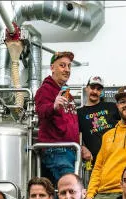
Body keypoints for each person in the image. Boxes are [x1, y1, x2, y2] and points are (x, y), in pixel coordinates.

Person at [35, 51, 78, 190]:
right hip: (56, 150)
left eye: (69, 66)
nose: (67, 69)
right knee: (69, 188)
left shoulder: (67, 94)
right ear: (52, 67)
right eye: (62, 65)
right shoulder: (45, 90)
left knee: (64, 191)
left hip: (70, 149)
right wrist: (53, 106)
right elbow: (41, 111)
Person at [77, 76, 119, 169]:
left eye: (98, 89)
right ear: (86, 88)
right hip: (96, 162)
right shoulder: (79, 113)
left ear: (101, 91)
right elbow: (74, 135)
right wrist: (82, 147)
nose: (95, 91)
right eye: (92, 88)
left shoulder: (112, 106)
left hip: (116, 158)